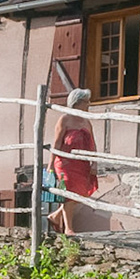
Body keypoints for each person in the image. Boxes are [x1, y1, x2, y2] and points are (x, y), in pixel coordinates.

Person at [48, 88, 98, 233]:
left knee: (81, 193)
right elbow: (57, 143)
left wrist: (94, 163)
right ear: (77, 103)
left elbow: (92, 144)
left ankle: (55, 216)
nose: (88, 105)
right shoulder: (64, 119)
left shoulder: (86, 122)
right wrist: (50, 166)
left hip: (81, 164)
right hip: (65, 163)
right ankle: (69, 229)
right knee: (70, 192)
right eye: (86, 102)